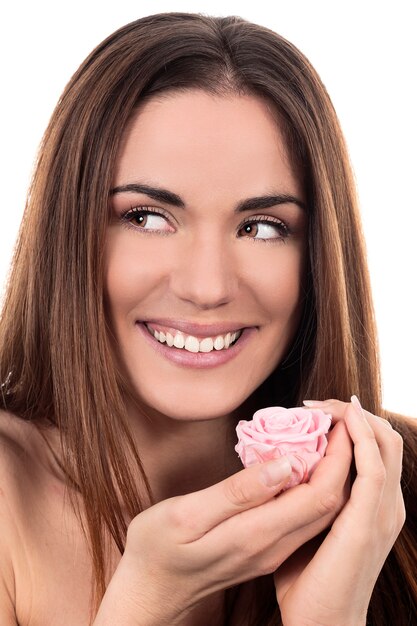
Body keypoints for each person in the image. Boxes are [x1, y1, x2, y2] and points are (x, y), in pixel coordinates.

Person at [0, 11, 415, 626]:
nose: (206, 287)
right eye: (146, 217)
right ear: (70, 233)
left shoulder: (400, 491)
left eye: (262, 227)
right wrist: (146, 601)